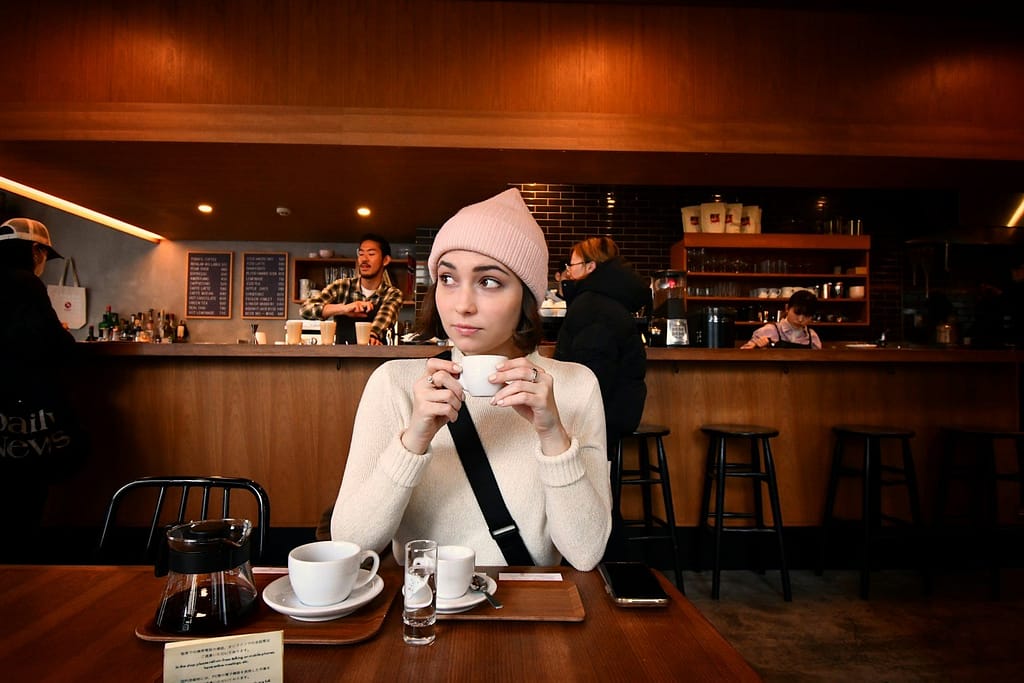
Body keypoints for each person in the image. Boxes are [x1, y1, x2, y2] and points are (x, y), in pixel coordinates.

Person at [330, 188, 612, 571]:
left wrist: (553, 436)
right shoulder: (395, 384)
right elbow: (350, 545)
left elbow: (585, 553)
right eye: (447, 278)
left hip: (529, 610)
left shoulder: (575, 386)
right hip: (425, 610)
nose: (462, 304)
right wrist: (413, 440)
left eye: (489, 281)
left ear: (527, 296)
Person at [0, 218, 83, 562]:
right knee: (22, 500)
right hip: (18, 413)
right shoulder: (24, 285)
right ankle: (20, 574)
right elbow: (55, 347)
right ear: (36, 250)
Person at [555, 236, 648, 459]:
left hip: (603, 416)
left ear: (590, 266)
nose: (568, 273)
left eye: (573, 265)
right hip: (616, 409)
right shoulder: (607, 299)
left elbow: (593, 372)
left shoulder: (592, 305)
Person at [300, 233, 403, 345]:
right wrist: (343, 309)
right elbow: (306, 309)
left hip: (376, 357)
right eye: (361, 254)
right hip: (342, 358)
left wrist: (372, 335)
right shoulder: (341, 286)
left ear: (386, 260)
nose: (364, 259)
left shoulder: (392, 294)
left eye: (371, 254)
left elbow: (384, 319)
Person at [741, 290, 822, 349]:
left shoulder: (812, 337)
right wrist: (757, 348)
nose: (800, 319)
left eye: (806, 315)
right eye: (797, 313)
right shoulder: (769, 330)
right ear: (787, 308)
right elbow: (742, 355)